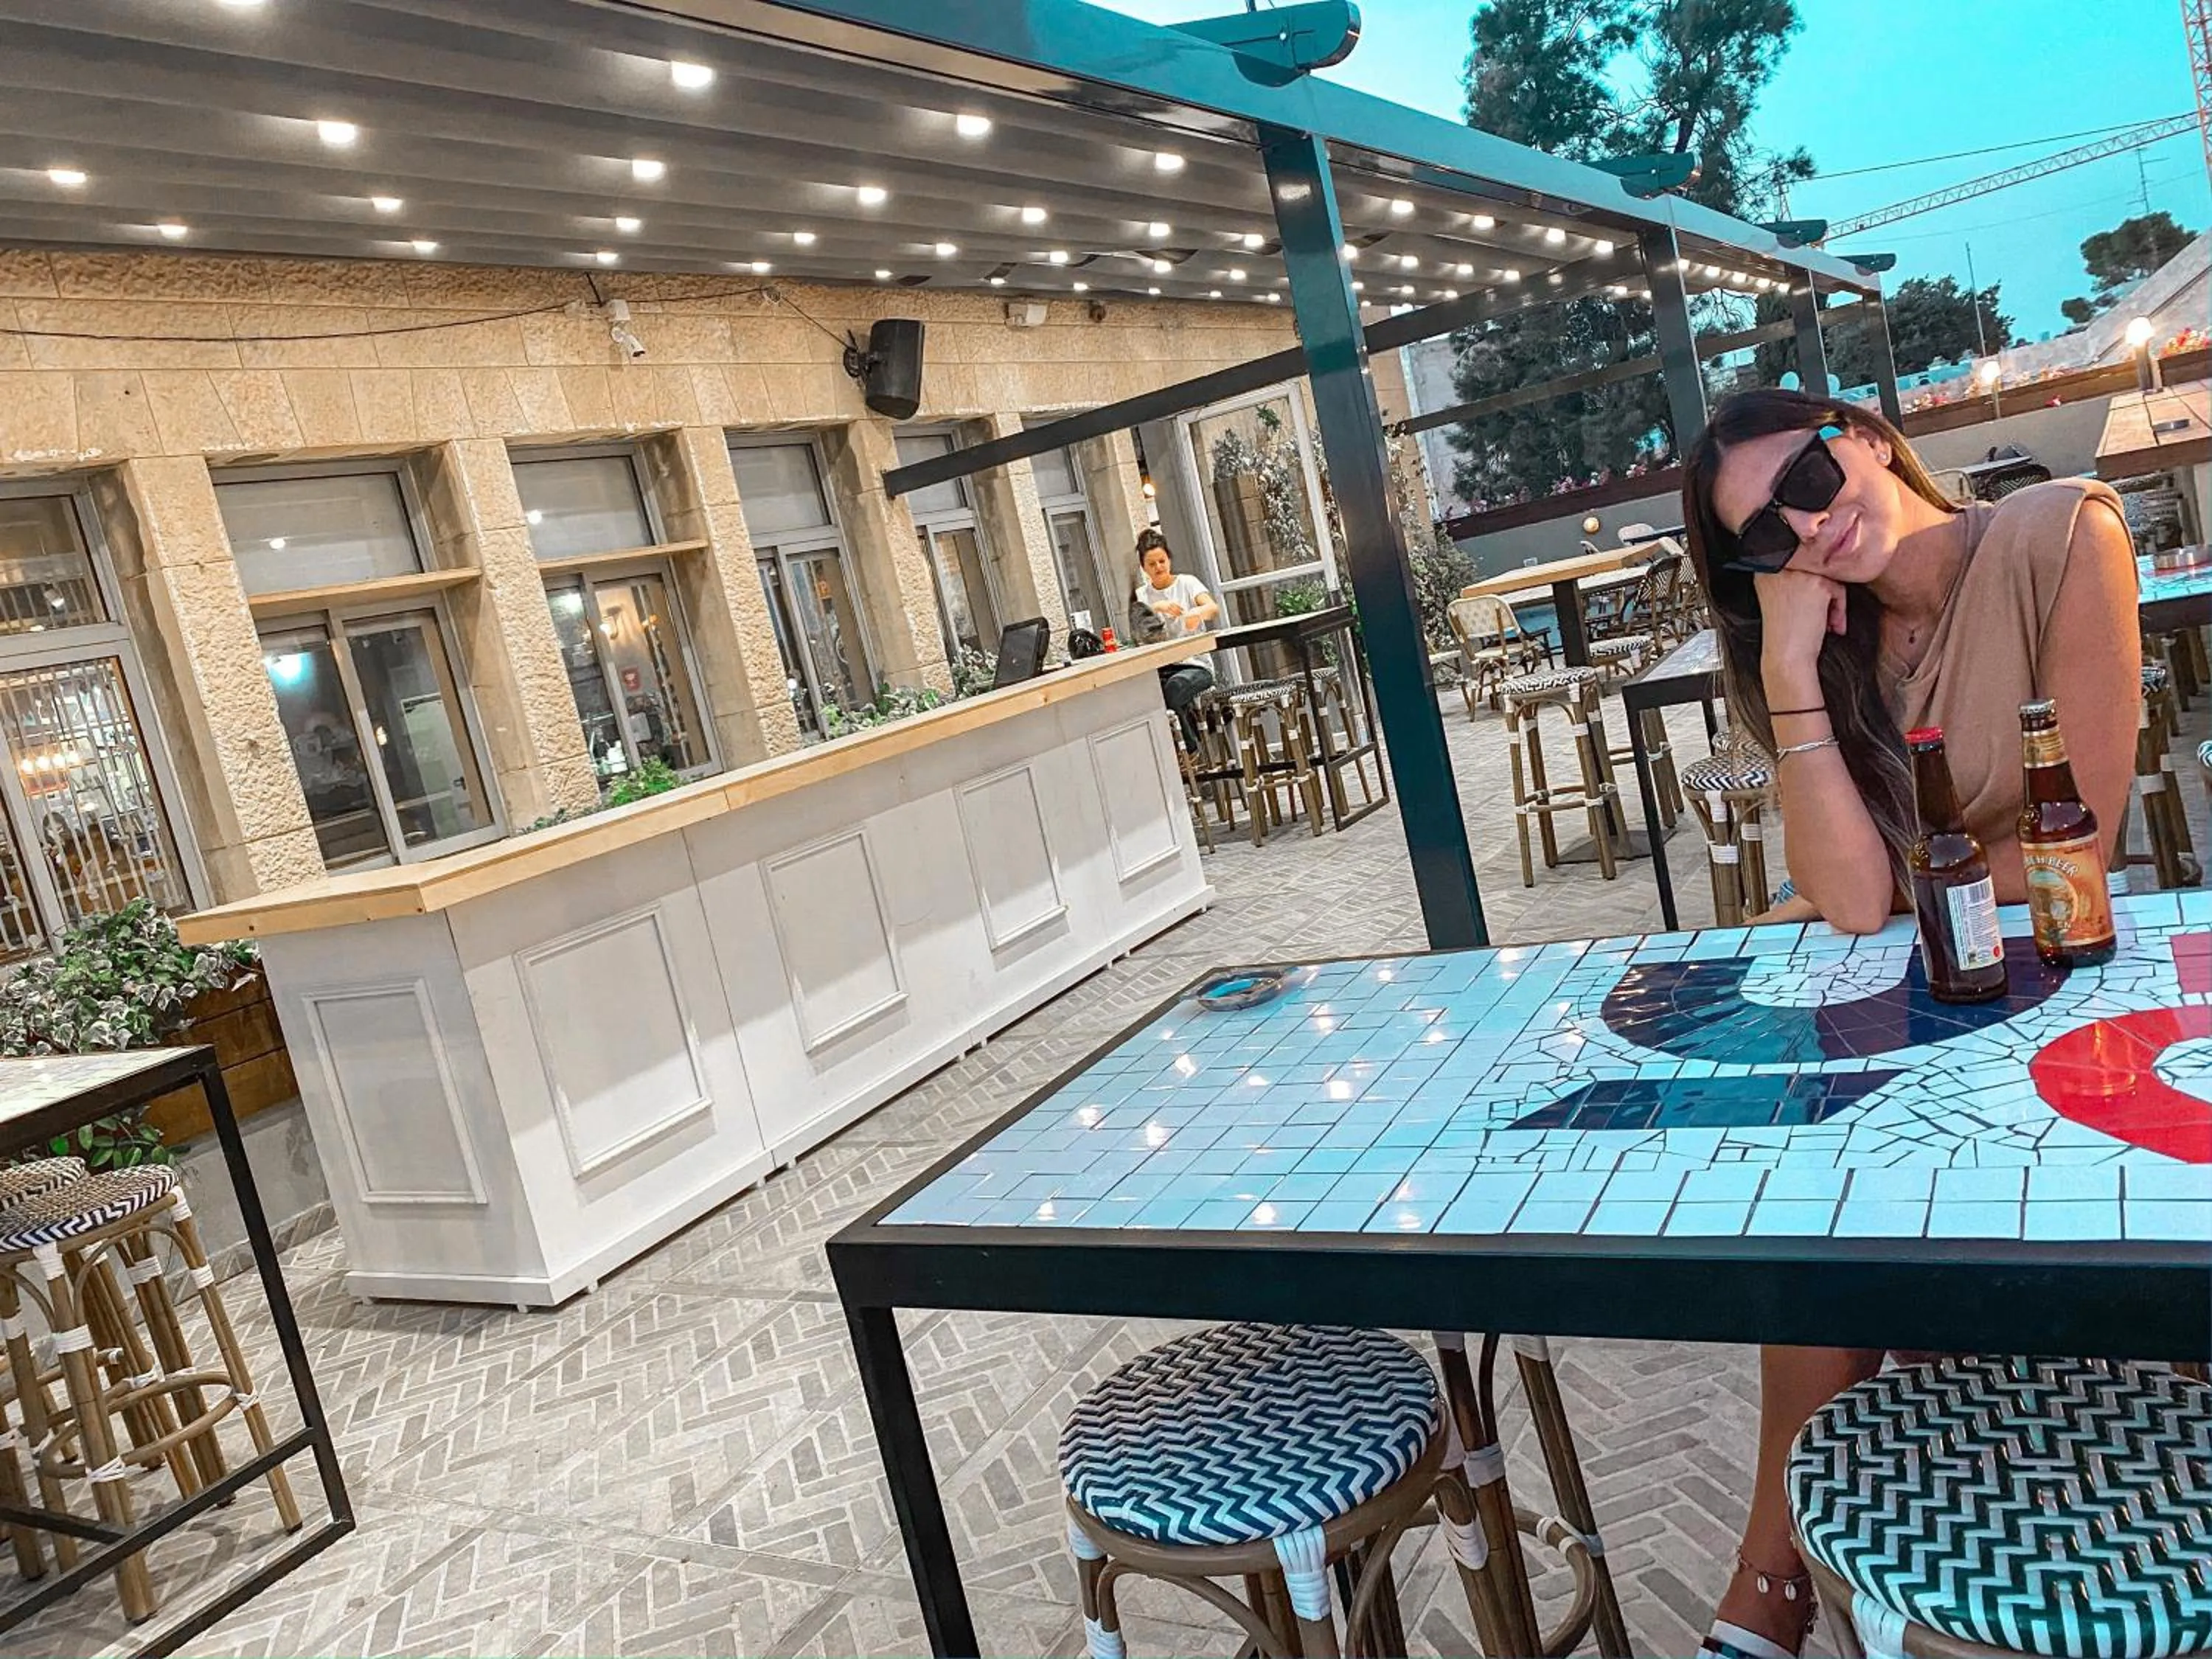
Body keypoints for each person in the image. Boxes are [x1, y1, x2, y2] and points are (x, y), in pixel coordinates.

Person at [1679, 387, 2136, 1659]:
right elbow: (1848, 892)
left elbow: (2075, 844)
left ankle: (1773, 1597)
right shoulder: (1831, 657)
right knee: (1814, 1198)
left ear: (1867, 438)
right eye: (1765, 538)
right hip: (1924, 1012)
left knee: (1849, 1194)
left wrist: (1888, 898)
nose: (1806, 533)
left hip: (2068, 997)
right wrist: (1784, 669)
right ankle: (1770, 1590)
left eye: (1810, 484)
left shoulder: (2057, 534)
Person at [1130, 527, 1220, 749]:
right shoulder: (1143, 595)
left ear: (1169, 559)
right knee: (1143, 694)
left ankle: (1190, 749)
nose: (1159, 568)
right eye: (1152, 564)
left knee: (1174, 689)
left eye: (1162, 561)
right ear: (1144, 568)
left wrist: (1196, 614)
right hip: (1163, 666)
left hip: (1195, 665)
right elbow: (1136, 630)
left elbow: (1212, 607)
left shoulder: (1187, 583)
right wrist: (1155, 607)